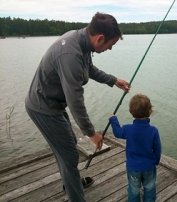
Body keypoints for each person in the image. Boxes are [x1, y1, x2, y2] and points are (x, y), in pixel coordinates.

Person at [25, 12, 130, 202]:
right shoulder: (70, 54)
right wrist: (91, 132)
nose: (110, 49)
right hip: (43, 107)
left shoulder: (83, 42)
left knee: (67, 146)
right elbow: (74, 100)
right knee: (69, 154)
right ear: (100, 38)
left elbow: (89, 69)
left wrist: (114, 81)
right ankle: (75, 195)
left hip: (53, 104)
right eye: (110, 45)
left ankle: (70, 181)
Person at [109, 93, 161, 202]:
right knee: (150, 187)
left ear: (131, 112)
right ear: (150, 111)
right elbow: (158, 149)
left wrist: (113, 119)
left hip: (133, 167)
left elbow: (117, 133)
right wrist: (155, 161)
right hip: (149, 166)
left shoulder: (128, 129)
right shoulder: (153, 130)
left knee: (134, 189)